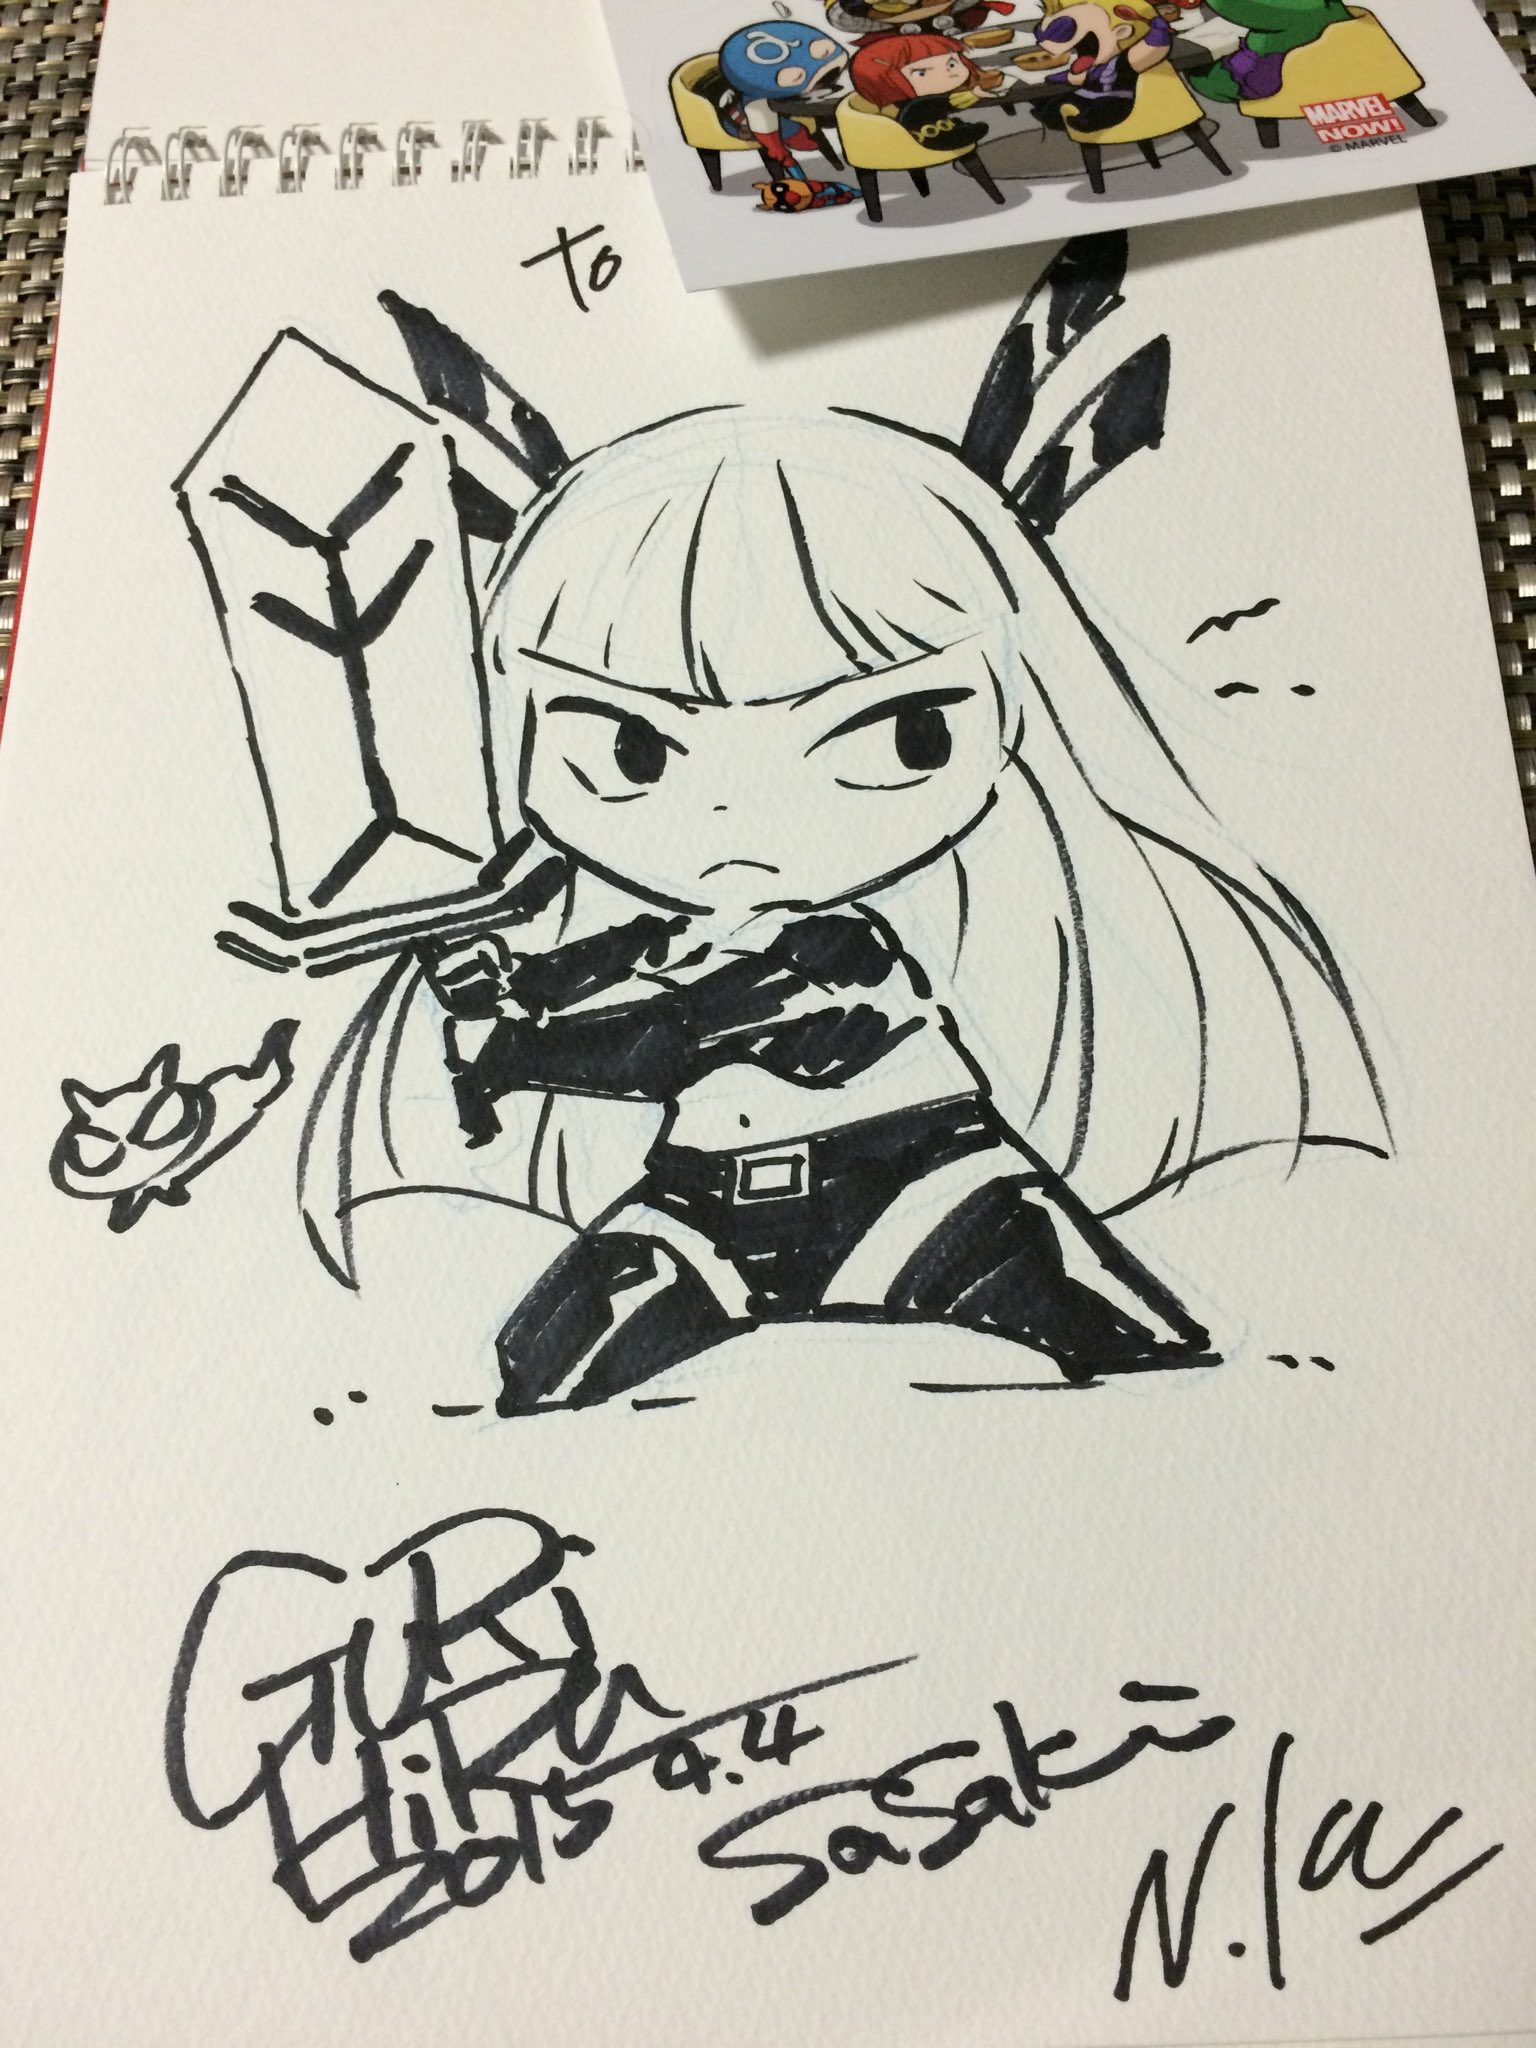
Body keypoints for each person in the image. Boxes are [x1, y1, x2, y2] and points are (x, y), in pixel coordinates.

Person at [412, 407, 1385, 1413]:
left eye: (900, 731)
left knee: (1132, 1356)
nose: (737, 817)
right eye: (634, 750)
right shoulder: (671, 933)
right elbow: (593, 968)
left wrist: (513, 1053)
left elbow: (681, 1035)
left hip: (917, 1184)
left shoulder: (838, 953)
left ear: (1005, 712)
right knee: (541, 1364)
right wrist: (500, 980)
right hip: (704, 1201)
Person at [848, 32, 1003, 150]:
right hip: (930, 138)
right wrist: (973, 94)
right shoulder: (917, 104)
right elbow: (949, 102)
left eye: (952, 64)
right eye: (921, 73)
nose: (949, 73)